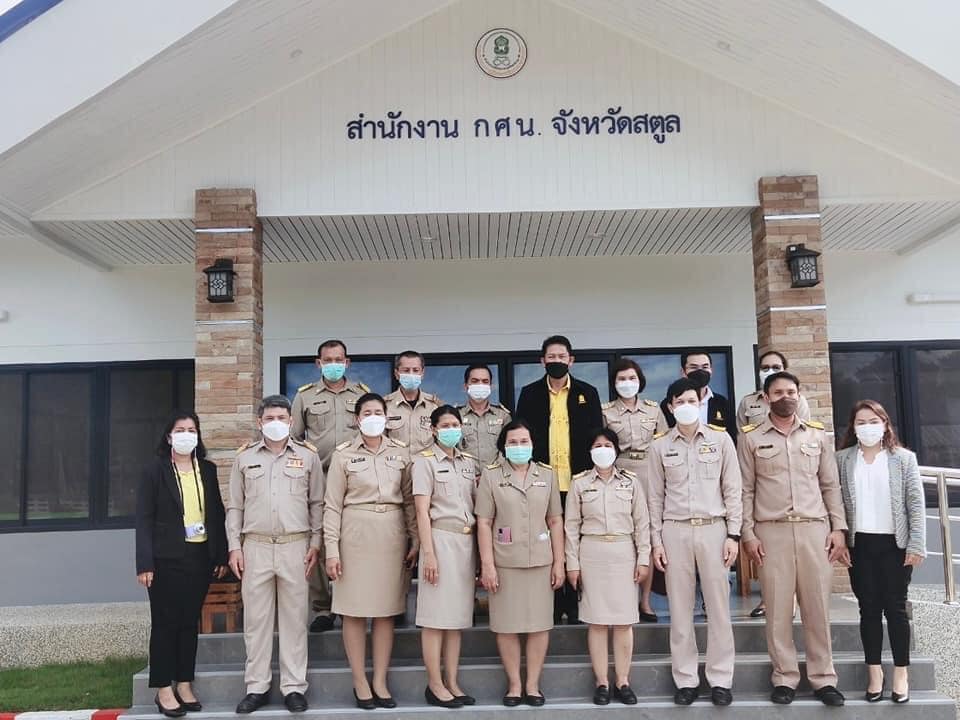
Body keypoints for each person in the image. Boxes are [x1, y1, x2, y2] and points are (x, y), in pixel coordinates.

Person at [738, 372, 848, 707]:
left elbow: (830, 485)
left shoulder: (817, 434)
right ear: (766, 398)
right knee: (778, 609)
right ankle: (784, 677)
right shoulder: (751, 438)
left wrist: (839, 528)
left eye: (790, 391)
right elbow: (745, 490)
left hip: (815, 530)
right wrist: (747, 533)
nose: (785, 397)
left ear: (799, 395)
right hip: (772, 531)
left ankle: (823, 678)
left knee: (817, 608)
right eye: (778, 392)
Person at [227, 395, 323, 714]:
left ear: (291, 421)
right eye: (270, 418)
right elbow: (235, 506)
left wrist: (316, 543)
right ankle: (257, 686)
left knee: (295, 620)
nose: (276, 423)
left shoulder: (308, 457)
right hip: (255, 546)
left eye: (282, 418)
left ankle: (294, 687)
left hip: (296, 546)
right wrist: (234, 546)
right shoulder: (244, 458)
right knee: (256, 621)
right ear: (259, 422)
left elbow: (317, 503)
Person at [648, 379, 742, 707]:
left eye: (692, 400)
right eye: (680, 401)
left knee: (719, 608)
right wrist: (656, 542)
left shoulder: (721, 439)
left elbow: (733, 489)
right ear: (670, 407)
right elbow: (654, 497)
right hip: (675, 531)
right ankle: (686, 679)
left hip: (714, 529)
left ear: (700, 403)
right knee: (680, 609)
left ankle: (720, 679)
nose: (686, 406)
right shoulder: (659, 446)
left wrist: (733, 534)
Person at [324, 393, 418, 710]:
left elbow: (409, 501)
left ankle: (379, 679)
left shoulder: (401, 452)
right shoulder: (343, 455)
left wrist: (416, 539)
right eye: (367, 412)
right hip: (354, 535)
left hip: (391, 536)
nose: (373, 417)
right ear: (357, 419)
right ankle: (360, 681)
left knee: (385, 610)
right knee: (353, 609)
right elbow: (332, 505)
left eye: (379, 412)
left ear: (387, 417)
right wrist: (331, 550)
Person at [136, 411, 227, 717]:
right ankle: (163, 688)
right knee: (165, 623)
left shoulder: (208, 469)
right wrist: (144, 563)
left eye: (192, 429)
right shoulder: (154, 471)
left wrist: (220, 554)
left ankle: (185, 683)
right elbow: (144, 519)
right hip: (165, 559)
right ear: (169, 436)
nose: (187, 434)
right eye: (180, 429)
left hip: (199, 556)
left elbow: (217, 513)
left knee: (189, 622)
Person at [836, 400, 926, 703]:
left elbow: (915, 504)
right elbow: (836, 503)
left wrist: (916, 544)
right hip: (859, 544)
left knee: (896, 609)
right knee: (869, 609)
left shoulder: (903, 459)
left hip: (895, 544)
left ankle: (901, 672)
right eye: (861, 422)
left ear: (885, 424)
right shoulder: (842, 459)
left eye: (874, 421)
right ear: (853, 427)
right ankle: (874, 672)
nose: (868, 427)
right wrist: (840, 539)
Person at [476, 420, 565, 707]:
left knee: (539, 625)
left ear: (532, 444)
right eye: (512, 442)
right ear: (503, 446)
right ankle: (514, 684)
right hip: (505, 563)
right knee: (507, 626)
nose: (518, 447)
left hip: (540, 561)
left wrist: (559, 562)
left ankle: (533, 685)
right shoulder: (491, 475)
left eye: (524, 441)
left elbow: (555, 521)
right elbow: (484, 522)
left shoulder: (547, 475)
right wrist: (487, 565)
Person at [515, 335, 602, 624]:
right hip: (542, 481)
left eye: (561, 357)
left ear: (571, 360)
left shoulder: (587, 392)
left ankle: (574, 604)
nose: (556, 361)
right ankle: (552, 603)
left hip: (577, 480)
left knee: (574, 540)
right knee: (546, 541)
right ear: (542, 361)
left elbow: (596, 435)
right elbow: (521, 435)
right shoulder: (529, 393)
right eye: (551, 357)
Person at [564, 428, 649, 706]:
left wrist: (643, 558)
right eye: (597, 445)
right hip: (592, 554)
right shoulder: (579, 483)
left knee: (624, 622)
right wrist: (572, 564)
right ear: (590, 451)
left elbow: (642, 523)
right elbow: (571, 527)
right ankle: (601, 682)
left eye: (607, 445)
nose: (603, 449)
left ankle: (623, 680)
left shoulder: (631, 482)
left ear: (616, 449)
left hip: (624, 552)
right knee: (597, 622)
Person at [290, 339, 369, 633]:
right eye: (328, 359)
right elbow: (295, 440)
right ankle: (323, 607)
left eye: (339, 359)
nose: (334, 364)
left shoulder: (362, 394)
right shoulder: (305, 396)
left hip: (356, 478)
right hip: (320, 477)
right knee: (319, 539)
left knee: (354, 540)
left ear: (347, 362)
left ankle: (352, 602)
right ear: (318, 363)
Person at [413, 405, 481, 708]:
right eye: (446, 425)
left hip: (465, 542)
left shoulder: (468, 463)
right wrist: (428, 554)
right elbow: (421, 511)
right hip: (439, 541)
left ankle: (452, 681)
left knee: (456, 619)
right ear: (433, 429)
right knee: (435, 619)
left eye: (456, 424)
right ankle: (434, 684)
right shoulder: (424, 462)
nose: (452, 429)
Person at [737, 350, 811, 619]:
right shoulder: (748, 402)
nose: (770, 370)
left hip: (793, 482)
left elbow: (804, 434)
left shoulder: (797, 400)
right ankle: (768, 599)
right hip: (761, 477)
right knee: (768, 555)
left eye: (776, 366)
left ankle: (793, 600)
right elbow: (742, 436)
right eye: (765, 367)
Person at [601, 357, 667, 622]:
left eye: (632, 378)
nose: (627, 383)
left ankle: (646, 600)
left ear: (640, 381)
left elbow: (665, 443)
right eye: (621, 379)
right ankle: (623, 598)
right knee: (623, 534)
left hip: (650, 472)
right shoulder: (606, 411)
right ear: (614, 383)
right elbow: (601, 445)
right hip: (620, 471)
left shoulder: (653, 409)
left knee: (647, 535)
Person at [661, 350, 736, 442]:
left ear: (711, 370)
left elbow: (732, 436)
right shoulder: (669, 404)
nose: (700, 371)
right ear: (683, 372)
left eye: (705, 367)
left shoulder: (722, 402)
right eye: (694, 367)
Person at [458, 363, 511, 465]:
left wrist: (492, 471)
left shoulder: (503, 416)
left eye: (485, 381)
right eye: (475, 381)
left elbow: (509, 446)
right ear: (465, 386)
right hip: (464, 473)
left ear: (490, 386)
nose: (480, 385)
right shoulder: (456, 416)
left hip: (497, 472)